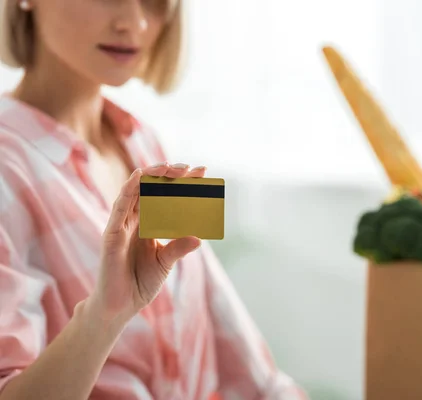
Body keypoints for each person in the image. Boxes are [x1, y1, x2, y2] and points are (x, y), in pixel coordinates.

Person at [0, 0, 306, 399]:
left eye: (156, 1)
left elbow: (230, 341)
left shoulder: (143, 144)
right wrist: (103, 317)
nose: (136, 22)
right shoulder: (9, 169)